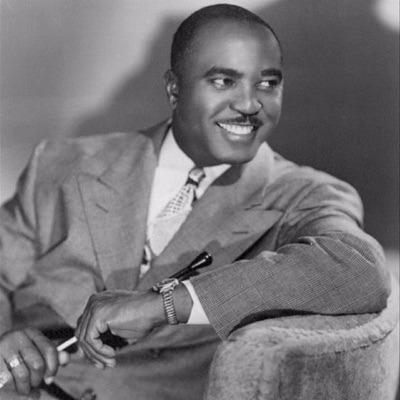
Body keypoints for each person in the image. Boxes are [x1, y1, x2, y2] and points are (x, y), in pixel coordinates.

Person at [0, 4, 391, 399]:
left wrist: (167, 304)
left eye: (268, 83)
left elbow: (359, 269)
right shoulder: (62, 164)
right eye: (224, 81)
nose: (249, 104)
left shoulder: (302, 194)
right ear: (174, 89)